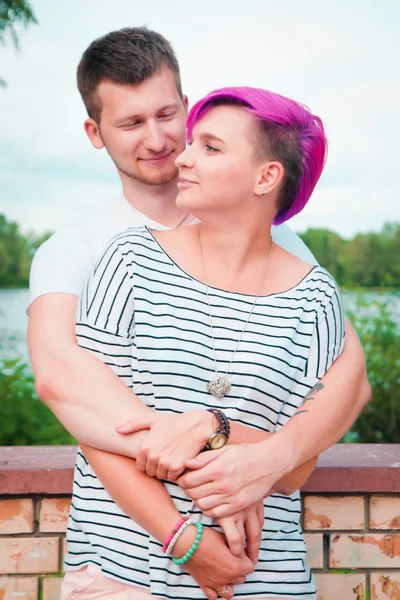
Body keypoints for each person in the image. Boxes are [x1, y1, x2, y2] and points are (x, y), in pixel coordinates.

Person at [26, 27, 370, 599]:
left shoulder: (286, 251)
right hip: (129, 565)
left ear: (187, 106)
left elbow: (348, 382)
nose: (160, 140)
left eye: (167, 115)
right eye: (132, 123)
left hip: (266, 572)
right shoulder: (88, 248)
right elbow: (65, 382)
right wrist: (209, 468)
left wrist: (261, 458)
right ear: (95, 132)